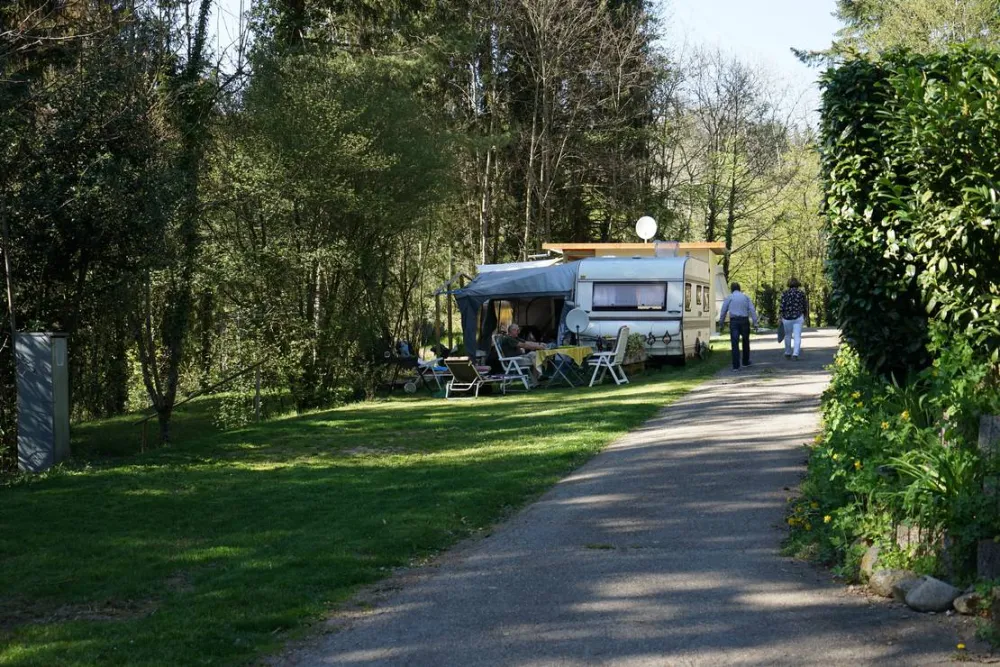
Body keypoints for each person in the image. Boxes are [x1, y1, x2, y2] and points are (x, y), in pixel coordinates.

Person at [718, 282, 759, 371]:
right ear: (739, 288)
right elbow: (752, 310)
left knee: (735, 343)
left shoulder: (729, 297)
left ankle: (736, 366)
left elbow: (723, 310)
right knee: (745, 342)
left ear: (731, 289)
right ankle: (745, 361)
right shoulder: (746, 297)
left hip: (734, 322)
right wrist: (755, 323)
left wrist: (721, 323)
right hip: (744, 320)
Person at [780, 277, 809, 360]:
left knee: (788, 336)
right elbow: (804, 305)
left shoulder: (785, 293)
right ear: (797, 284)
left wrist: (780, 316)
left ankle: (788, 352)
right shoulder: (801, 293)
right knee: (797, 336)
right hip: (798, 317)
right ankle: (795, 354)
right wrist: (805, 314)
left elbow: (782, 306)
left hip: (787, 317)